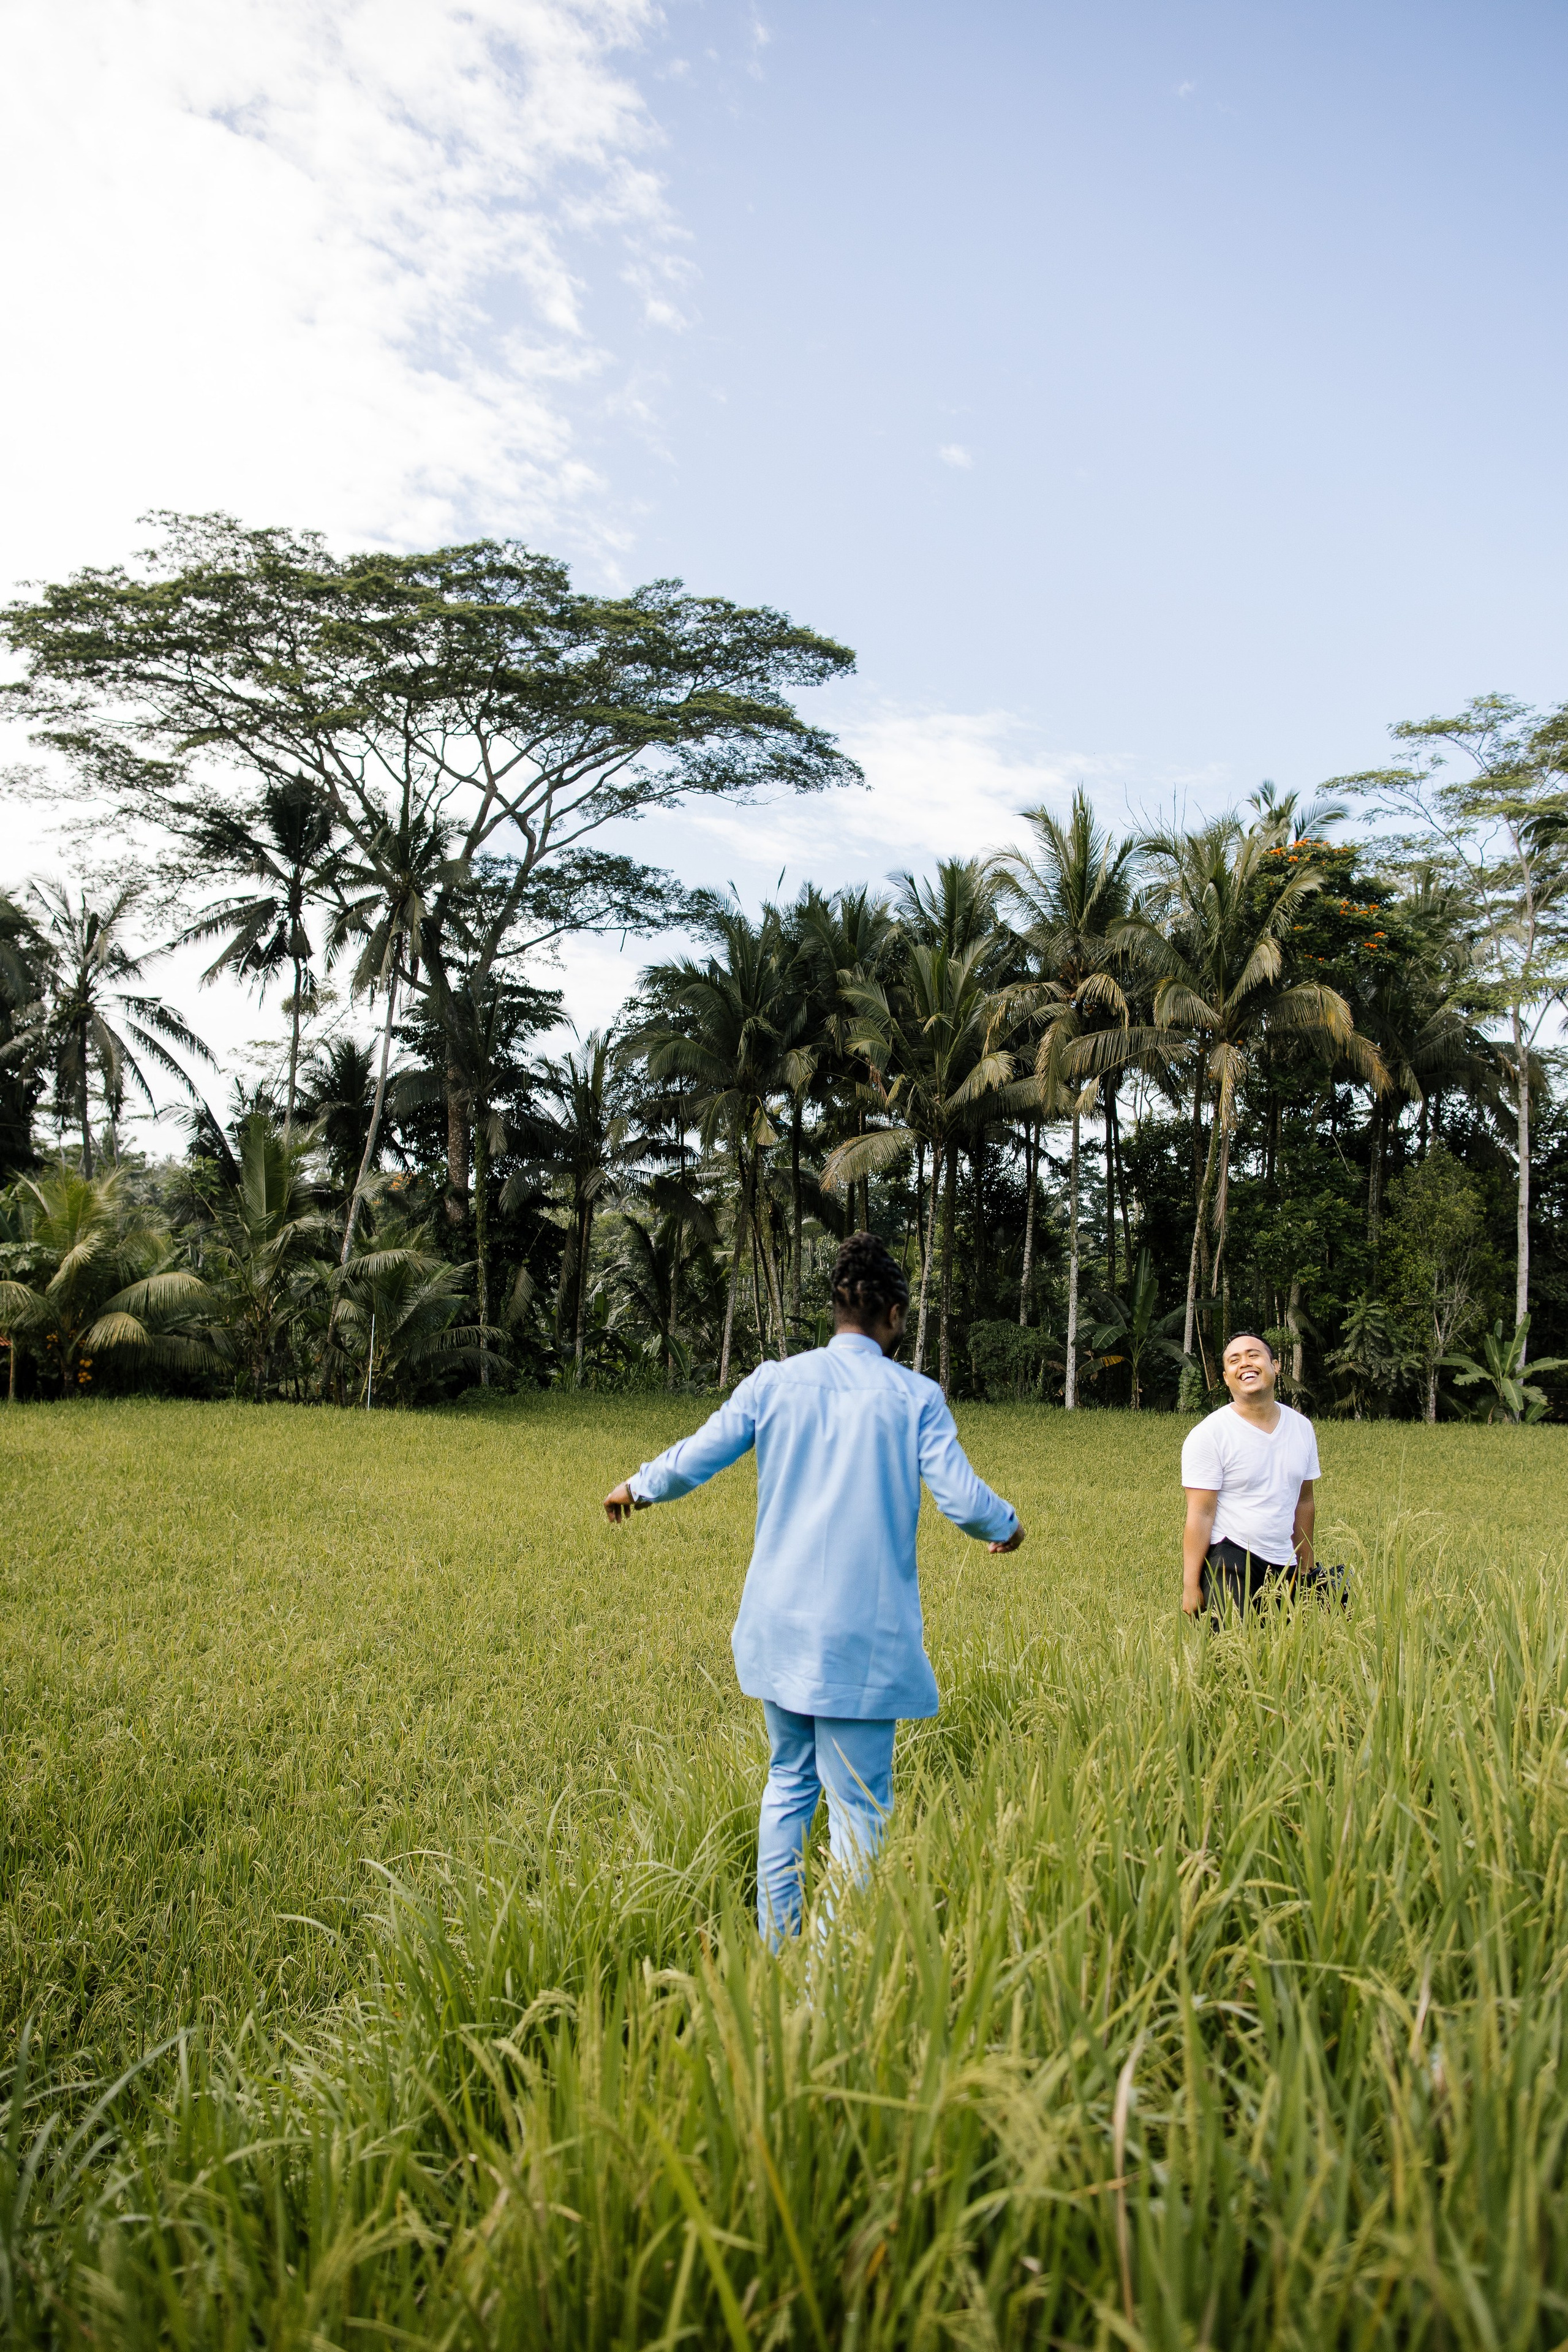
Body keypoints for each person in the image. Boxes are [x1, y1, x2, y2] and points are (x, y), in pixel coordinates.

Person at [602, 1231, 1024, 1942]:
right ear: (891, 1314)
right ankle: (828, 1973)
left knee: (788, 1783)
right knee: (860, 1806)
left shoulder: (774, 1381)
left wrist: (636, 1486)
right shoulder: (914, 1395)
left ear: (837, 1311)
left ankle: (777, 1945)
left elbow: (698, 1455)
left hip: (779, 1628)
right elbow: (962, 1497)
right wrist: (1007, 1527)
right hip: (861, 1637)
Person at [1180, 1329, 1319, 1618]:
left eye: (1253, 1355)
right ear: (1226, 1377)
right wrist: (1190, 1585)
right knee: (1231, 1656)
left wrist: (1306, 1567)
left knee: (1289, 1656)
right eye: (1234, 1360)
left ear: (1275, 1366)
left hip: (1285, 1563)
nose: (1245, 1363)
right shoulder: (1209, 1434)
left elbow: (1304, 1501)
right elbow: (1200, 1514)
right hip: (1231, 1558)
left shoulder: (1302, 1427)